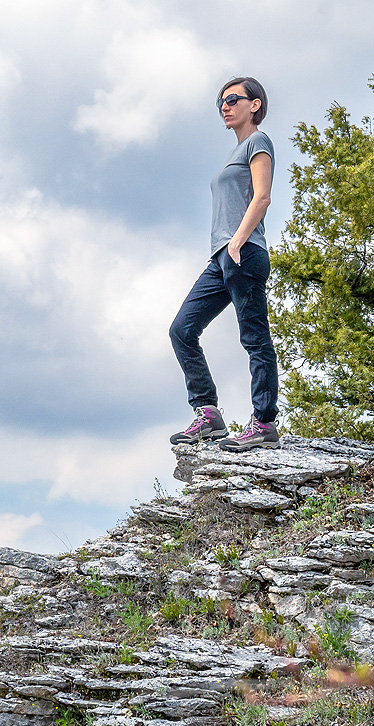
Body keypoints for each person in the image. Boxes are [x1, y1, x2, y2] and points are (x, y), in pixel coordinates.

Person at [168, 76, 280, 451]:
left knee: (254, 338)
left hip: (243, 252)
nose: (225, 106)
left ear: (255, 105)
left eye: (233, 99)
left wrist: (238, 241)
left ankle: (263, 423)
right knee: (182, 330)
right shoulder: (233, 154)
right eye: (221, 102)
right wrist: (226, 248)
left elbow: (262, 197)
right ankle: (209, 416)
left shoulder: (258, 142)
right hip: (221, 258)